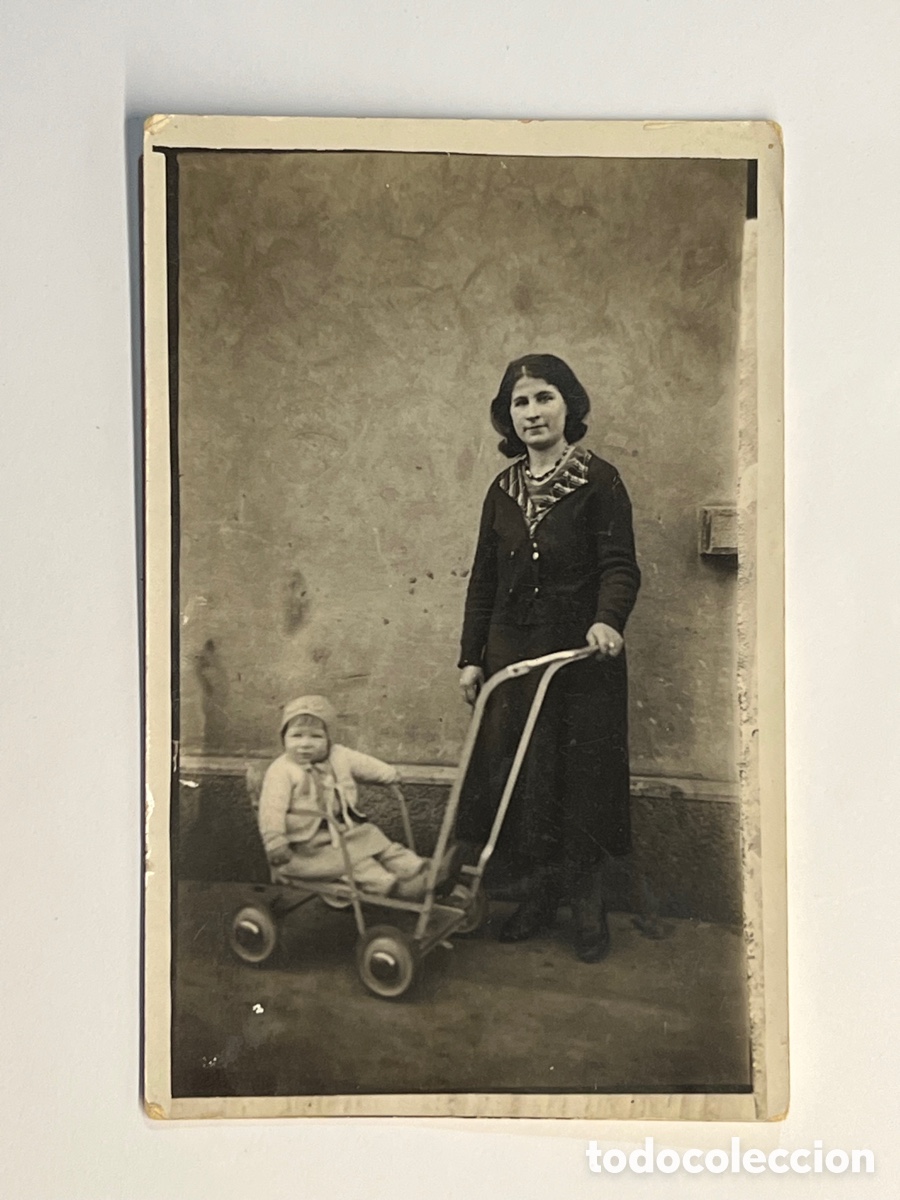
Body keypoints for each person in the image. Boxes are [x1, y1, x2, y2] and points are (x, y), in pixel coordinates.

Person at [456, 354, 641, 962]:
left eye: (544, 398)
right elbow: (483, 579)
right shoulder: (501, 490)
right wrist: (470, 657)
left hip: (580, 657)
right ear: (508, 416)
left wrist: (605, 622)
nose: (532, 412)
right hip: (514, 656)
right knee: (523, 774)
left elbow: (620, 567)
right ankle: (538, 891)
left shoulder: (599, 481)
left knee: (580, 774)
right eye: (520, 402)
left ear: (569, 406)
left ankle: (587, 898)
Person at [258, 694, 441, 900]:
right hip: (305, 848)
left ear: (329, 739)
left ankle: (419, 869)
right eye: (296, 735)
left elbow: (364, 764)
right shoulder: (282, 770)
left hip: (342, 831)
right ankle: (391, 887)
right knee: (359, 865)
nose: (305, 744)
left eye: (315, 736)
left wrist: (390, 774)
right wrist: (276, 841)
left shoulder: (338, 755)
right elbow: (270, 809)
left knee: (378, 842)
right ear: (283, 738)